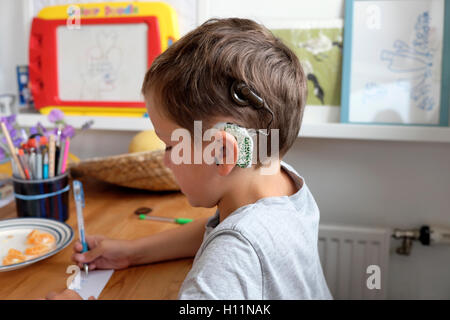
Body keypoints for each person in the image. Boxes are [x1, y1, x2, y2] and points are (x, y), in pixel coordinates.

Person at [46, 18, 332, 300]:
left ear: (222, 153)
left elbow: (233, 243)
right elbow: (221, 229)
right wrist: (132, 252)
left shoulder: (231, 259)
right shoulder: (279, 182)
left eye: (171, 146)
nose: (165, 160)